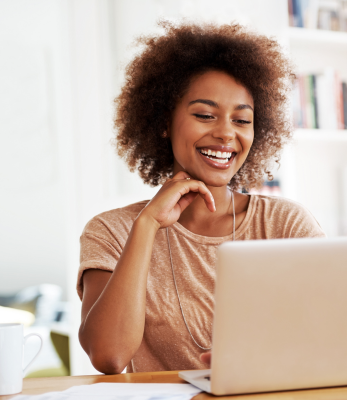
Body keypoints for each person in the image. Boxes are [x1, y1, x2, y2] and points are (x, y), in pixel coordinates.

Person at [76, 22, 325, 375]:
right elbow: (109, 356)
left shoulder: (285, 224)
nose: (225, 133)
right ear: (165, 121)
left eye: (241, 120)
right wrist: (146, 225)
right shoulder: (111, 231)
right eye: (205, 115)